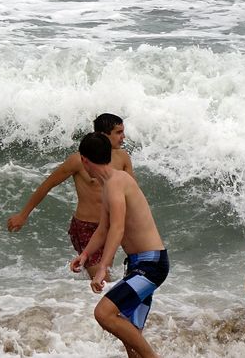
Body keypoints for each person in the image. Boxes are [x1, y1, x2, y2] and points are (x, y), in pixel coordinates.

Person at [69, 133, 168, 358]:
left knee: (104, 313)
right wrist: (85, 255)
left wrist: (103, 266)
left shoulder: (116, 183)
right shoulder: (109, 185)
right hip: (138, 263)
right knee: (129, 336)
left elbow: (117, 228)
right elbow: (103, 229)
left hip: (151, 264)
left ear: (84, 160)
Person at [7, 113, 133, 281]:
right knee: (105, 283)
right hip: (86, 228)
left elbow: (131, 193)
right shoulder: (79, 160)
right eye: (118, 132)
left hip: (112, 227)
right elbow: (47, 184)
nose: (123, 137)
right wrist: (23, 215)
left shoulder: (123, 157)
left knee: (121, 275)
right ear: (104, 135)